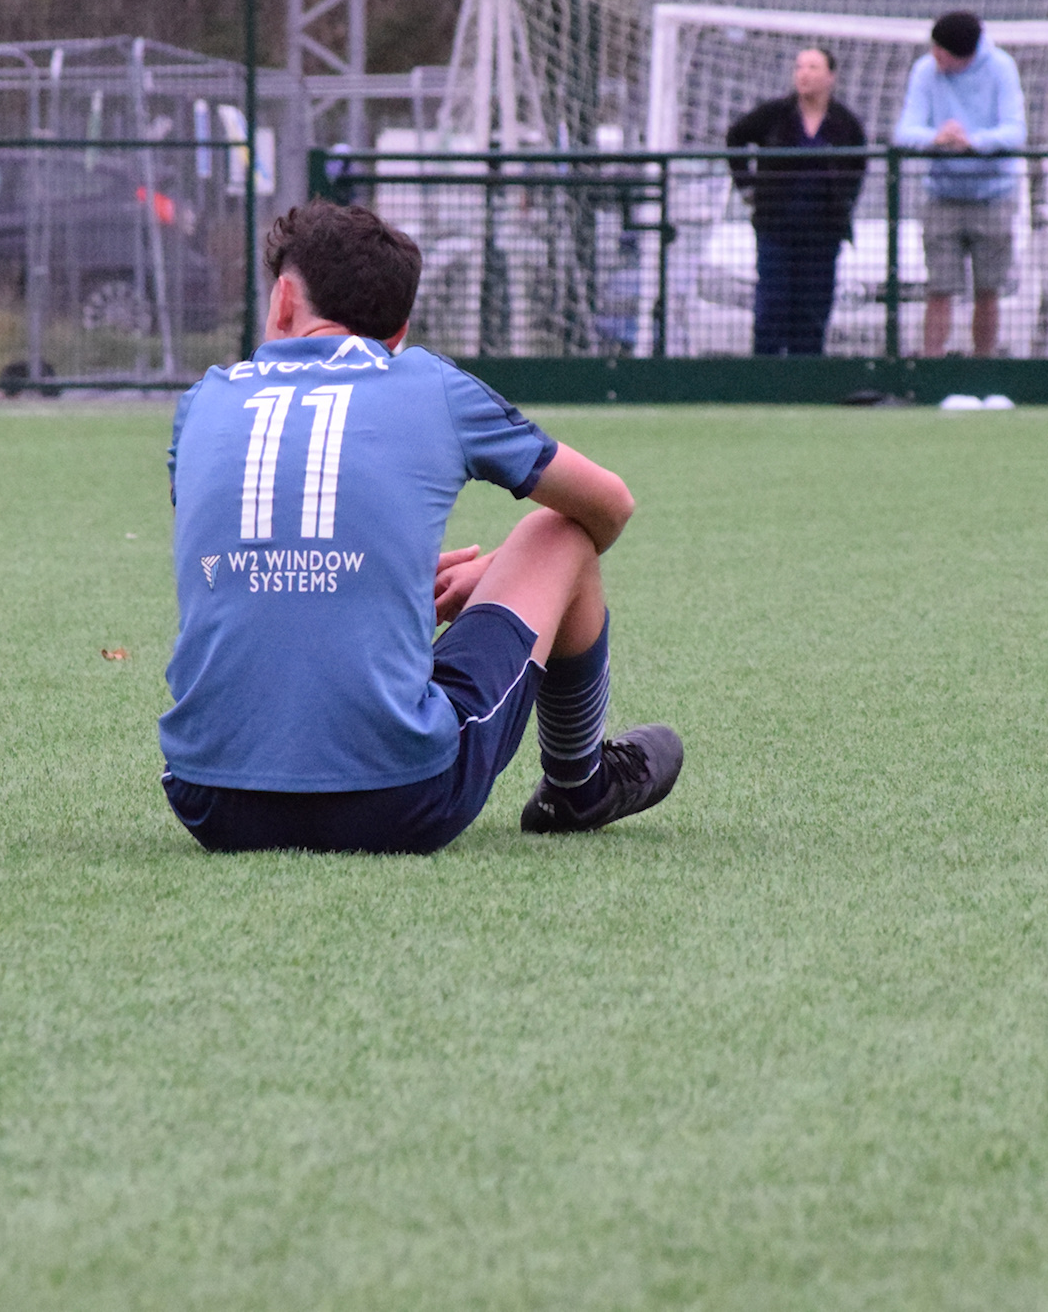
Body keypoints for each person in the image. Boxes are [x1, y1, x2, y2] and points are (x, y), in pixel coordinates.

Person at [159, 200, 684, 855]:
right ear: (400, 331)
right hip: (398, 803)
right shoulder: (430, 382)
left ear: (283, 299)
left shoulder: (202, 399)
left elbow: (247, 557)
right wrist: (491, 568)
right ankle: (579, 785)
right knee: (563, 533)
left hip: (208, 802)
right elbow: (611, 503)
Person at [894, 11, 1027, 358]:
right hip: (942, 197)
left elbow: (1015, 131)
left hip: (993, 197)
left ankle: (984, 366)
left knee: (988, 289)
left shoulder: (1001, 67)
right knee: (939, 288)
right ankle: (932, 365)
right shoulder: (925, 70)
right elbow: (905, 132)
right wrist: (936, 138)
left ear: (964, 56)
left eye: (943, 53)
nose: (935, 57)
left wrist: (975, 142)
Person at [725, 46, 869, 356]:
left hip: (822, 230)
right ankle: (766, 376)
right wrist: (747, 187)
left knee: (812, 307)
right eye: (799, 67)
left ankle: (807, 376)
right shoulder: (775, 114)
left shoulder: (846, 123)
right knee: (772, 304)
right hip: (776, 227)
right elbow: (735, 136)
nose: (804, 74)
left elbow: (858, 168)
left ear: (830, 76)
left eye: (813, 67)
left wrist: (844, 203)